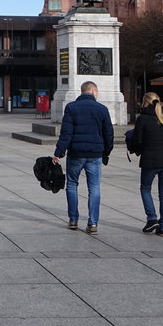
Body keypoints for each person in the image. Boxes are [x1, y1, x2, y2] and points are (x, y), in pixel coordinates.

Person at [52, 81, 115, 234]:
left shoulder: (71, 108)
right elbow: (109, 134)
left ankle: (73, 219)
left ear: (82, 92)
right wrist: (106, 152)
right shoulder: (102, 109)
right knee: (94, 187)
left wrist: (59, 153)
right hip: (95, 154)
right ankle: (93, 223)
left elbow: (66, 133)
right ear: (93, 91)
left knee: (72, 184)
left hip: (76, 153)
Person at [134, 92, 163, 237]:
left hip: (150, 160)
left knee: (145, 188)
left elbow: (137, 141)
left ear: (145, 102)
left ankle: (152, 218)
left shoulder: (142, 119)